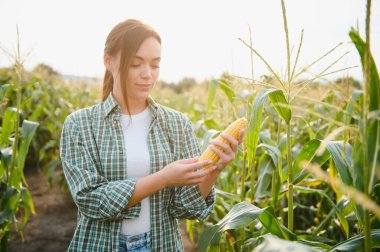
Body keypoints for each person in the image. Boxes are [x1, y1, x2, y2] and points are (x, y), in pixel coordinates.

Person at [59, 19, 244, 252]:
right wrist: (163, 178)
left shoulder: (177, 124)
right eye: (136, 64)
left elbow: (186, 208)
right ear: (108, 60)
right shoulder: (80, 124)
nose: (147, 74)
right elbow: (90, 201)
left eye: (155, 65)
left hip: (161, 245)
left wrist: (214, 169)